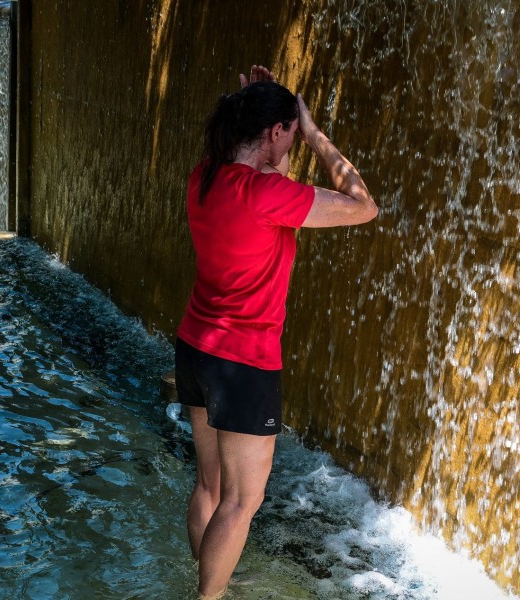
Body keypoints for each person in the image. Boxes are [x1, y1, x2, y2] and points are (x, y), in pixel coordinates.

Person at [175, 65, 378, 599]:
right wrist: (315, 135)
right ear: (275, 134)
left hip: (197, 347)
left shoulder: (207, 177)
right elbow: (363, 206)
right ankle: (208, 596)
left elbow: (271, 174)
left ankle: (210, 576)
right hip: (244, 365)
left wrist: (259, 110)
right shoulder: (267, 196)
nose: (294, 141)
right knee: (242, 503)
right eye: (288, 132)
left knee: (210, 485)